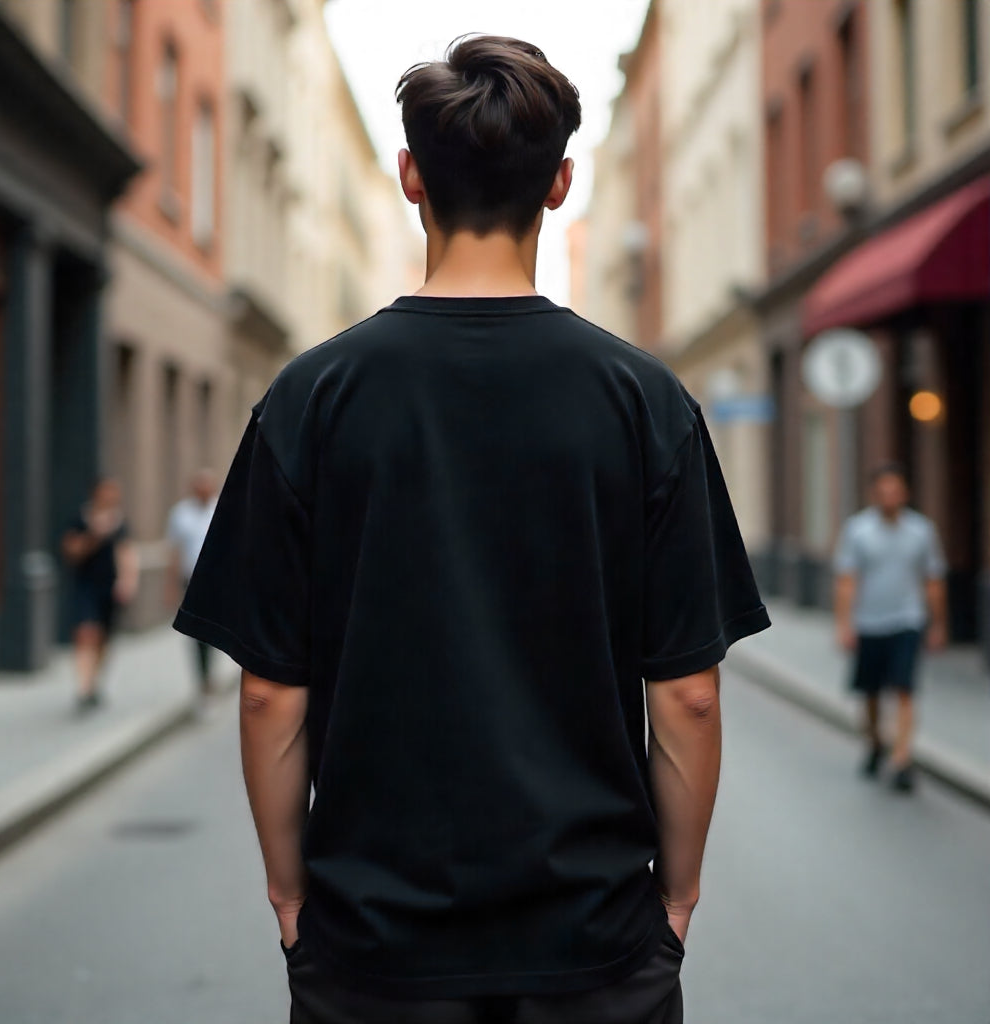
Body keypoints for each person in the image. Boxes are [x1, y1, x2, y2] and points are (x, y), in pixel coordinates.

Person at [175, 35, 769, 1024]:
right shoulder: (644, 401)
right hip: (592, 944)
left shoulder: (311, 397)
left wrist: (290, 890)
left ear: (411, 177)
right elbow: (689, 697)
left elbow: (272, 693)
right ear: (560, 184)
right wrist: (674, 894)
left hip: (372, 948)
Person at [834, 463, 948, 793]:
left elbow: (933, 580)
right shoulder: (857, 530)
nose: (890, 497)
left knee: (904, 689)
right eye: (883, 491)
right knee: (870, 693)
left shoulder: (922, 531)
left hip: (907, 621)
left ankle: (901, 760)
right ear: (874, 495)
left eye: (895, 490)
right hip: (868, 623)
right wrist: (844, 624)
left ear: (905, 493)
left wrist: (938, 624)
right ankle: (874, 742)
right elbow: (846, 580)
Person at [62, 477, 138, 712]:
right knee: (86, 632)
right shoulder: (80, 519)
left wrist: (127, 582)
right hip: (86, 586)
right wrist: (95, 534)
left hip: (110, 589)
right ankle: (84, 688)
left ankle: (95, 682)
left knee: (105, 638)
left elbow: (126, 553)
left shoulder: (120, 522)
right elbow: (71, 552)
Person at [166, 469, 219, 700]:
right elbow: (174, 552)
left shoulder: (222, 508)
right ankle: (203, 680)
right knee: (197, 632)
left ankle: (208, 678)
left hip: (216, 581)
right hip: (191, 580)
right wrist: (170, 586)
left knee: (212, 631)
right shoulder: (181, 514)